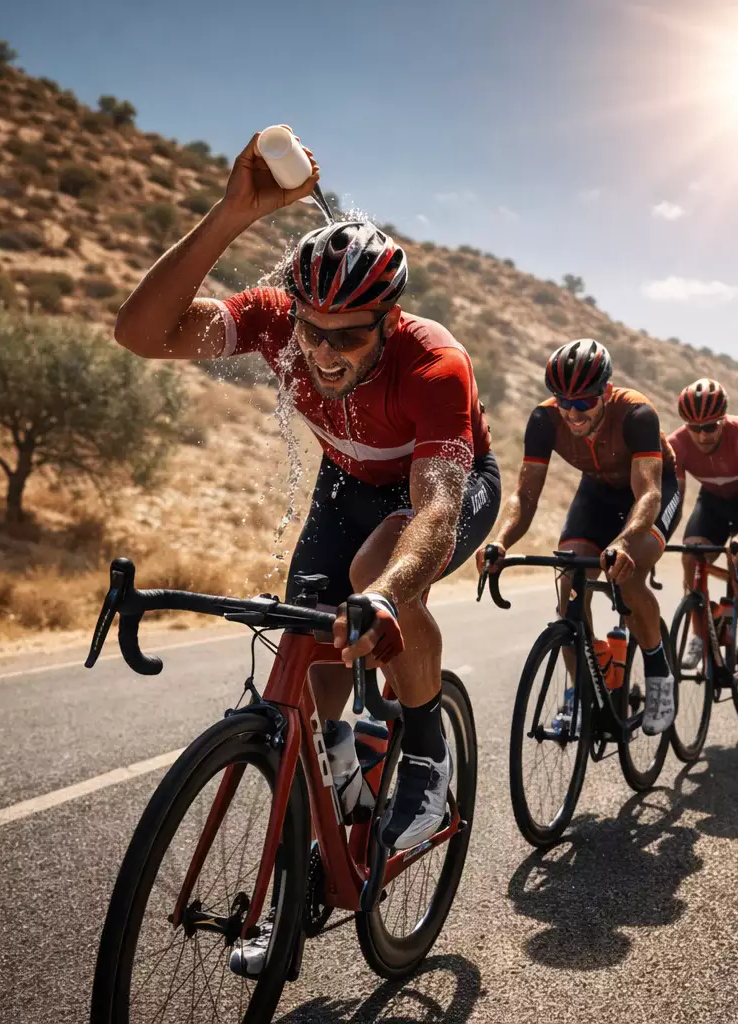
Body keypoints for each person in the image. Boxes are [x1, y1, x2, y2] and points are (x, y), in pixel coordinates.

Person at [113, 133, 499, 856]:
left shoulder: (434, 364)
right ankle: (329, 801)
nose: (323, 351)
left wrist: (386, 595)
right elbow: (140, 332)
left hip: (446, 487)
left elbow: (439, 511)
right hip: (348, 483)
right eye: (312, 330)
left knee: (375, 573)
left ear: (389, 320)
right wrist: (232, 215)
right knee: (307, 674)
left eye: (348, 336)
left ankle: (424, 755)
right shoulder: (273, 321)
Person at [479, 339, 681, 734]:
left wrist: (623, 543)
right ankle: (580, 692)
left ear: (605, 391)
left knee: (629, 573)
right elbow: (525, 495)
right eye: (564, 402)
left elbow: (649, 494)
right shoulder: (544, 419)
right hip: (597, 493)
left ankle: (660, 674)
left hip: (652, 490)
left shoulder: (636, 414)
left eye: (584, 403)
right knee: (569, 582)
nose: (573, 413)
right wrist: (501, 540)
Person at [666, 379, 738, 704]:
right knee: (690, 557)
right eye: (695, 427)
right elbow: (674, 501)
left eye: (710, 427)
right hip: (712, 502)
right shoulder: (678, 444)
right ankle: (700, 631)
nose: (702, 435)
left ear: (723, 419)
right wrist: (657, 540)